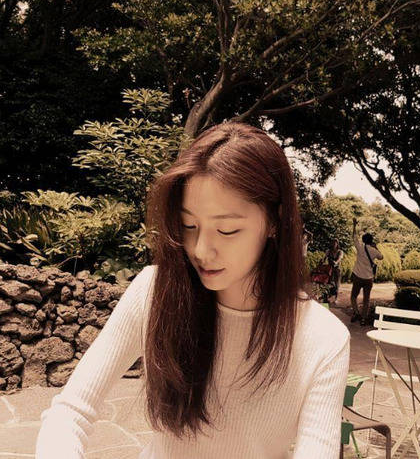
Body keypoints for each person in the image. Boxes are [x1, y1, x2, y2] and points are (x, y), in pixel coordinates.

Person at [35, 122, 350, 459]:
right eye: (189, 225)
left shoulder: (323, 339)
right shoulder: (154, 292)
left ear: (275, 221)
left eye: (226, 230)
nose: (200, 250)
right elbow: (70, 412)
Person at [350, 218, 383, 326]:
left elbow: (354, 237)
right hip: (368, 278)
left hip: (358, 276)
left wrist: (354, 225)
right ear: (371, 241)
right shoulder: (374, 251)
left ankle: (356, 313)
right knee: (366, 299)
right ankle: (363, 319)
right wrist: (375, 247)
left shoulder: (360, 247)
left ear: (364, 240)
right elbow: (381, 257)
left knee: (353, 296)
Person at [323, 239, 344, 305]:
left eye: (335, 243)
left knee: (337, 283)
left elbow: (339, 259)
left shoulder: (340, 252)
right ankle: (326, 298)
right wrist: (322, 261)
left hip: (337, 269)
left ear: (337, 244)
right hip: (329, 269)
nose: (334, 244)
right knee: (328, 283)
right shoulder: (328, 251)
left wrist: (336, 262)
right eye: (333, 243)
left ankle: (336, 299)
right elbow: (324, 258)